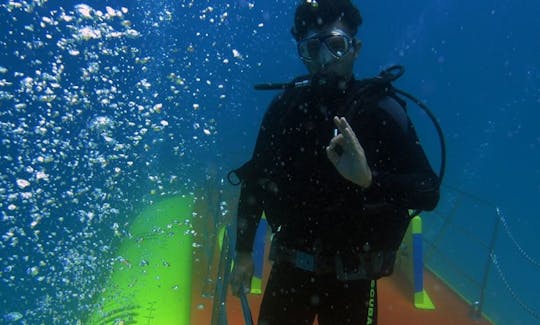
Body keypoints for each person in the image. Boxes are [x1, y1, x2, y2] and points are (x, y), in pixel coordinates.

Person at [229, 1, 440, 324]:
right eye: (313, 48)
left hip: (354, 282)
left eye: (336, 45)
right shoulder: (285, 109)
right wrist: (243, 252)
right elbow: (256, 179)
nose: (325, 59)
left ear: (355, 48)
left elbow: (427, 191)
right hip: (290, 270)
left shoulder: (381, 111)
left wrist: (370, 179)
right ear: (302, 53)